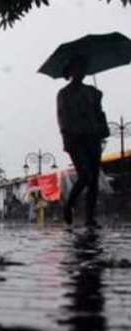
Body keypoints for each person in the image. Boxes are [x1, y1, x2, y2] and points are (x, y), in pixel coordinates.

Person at [57, 56, 109, 228]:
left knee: (93, 179)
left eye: (83, 67)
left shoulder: (92, 91)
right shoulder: (64, 94)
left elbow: (99, 114)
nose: (81, 71)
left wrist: (98, 100)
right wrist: (69, 135)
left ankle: (90, 218)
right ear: (70, 72)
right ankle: (69, 204)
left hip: (93, 137)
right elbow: (63, 118)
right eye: (77, 68)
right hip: (75, 139)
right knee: (85, 175)